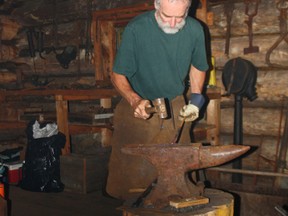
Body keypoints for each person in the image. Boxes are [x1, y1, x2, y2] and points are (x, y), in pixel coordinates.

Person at [106, 0, 209, 201]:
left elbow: (198, 66)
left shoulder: (195, 30)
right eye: (166, 17)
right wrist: (135, 100)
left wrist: (196, 100)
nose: (172, 24)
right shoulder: (136, 29)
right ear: (156, 6)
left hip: (176, 104)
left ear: (188, 9)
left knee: (181, 174)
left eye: (179, 18)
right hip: (140, 104)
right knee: (134, 181)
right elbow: (118, 74)